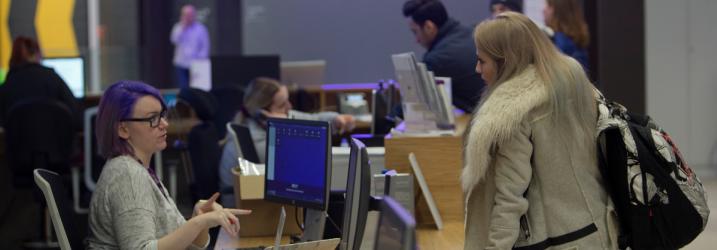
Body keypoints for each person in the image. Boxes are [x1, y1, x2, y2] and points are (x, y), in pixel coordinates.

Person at [461, 12, 618, 249]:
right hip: (597, 231)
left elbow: (508, 199)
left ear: (505, 61)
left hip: (555, 241)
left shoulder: (513, 114)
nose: (477, 69)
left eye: (482, 61)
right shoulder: (576, 88)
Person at [87, 81, 251, 249]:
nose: (164, 124)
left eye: (162, 115)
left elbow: (190, 247)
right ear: (123, 129)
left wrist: (199, 219)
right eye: (152, 118)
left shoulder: (140, 169)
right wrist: (197, 223)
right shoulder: (127, 174)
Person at [217, 77, 354, 207]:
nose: (290, 106)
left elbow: (313, 119)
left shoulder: (263, 124)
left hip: (259, 201)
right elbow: (294, 156)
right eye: (283, 104)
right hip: (239, 212)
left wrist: (336, 120)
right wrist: (283, 125)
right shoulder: (251, 139)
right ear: (263, 114)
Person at [402, 0, 485, 113]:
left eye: (415, 32)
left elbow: (412, 104)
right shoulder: (475, 32)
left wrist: (386, 122)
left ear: (428, 27)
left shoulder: (437, 59)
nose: (416, 40)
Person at [0, 36, 79, 128]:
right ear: (37, 54)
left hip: (19, 142)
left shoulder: (5, 88)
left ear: (12, 58)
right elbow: (77, 116)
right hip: (54, 141)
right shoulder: (53, 79)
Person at [543, 0, 590, 70]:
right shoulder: (576, 40)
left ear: (559, 11)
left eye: (549, 6)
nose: (544, 10)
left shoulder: (559, 42)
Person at [171, 4, 210, 89]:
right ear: (182, 15)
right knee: (183, 87)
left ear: (194, 15)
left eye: (190, 15)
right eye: (186, 15)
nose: (188, 17)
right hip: (181, 63)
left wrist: (199, 60)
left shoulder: (201, 29)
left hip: (196, 64)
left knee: (196, 88)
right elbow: (174, 40)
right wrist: (183, 28)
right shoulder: (178, 27)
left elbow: (205, 47)